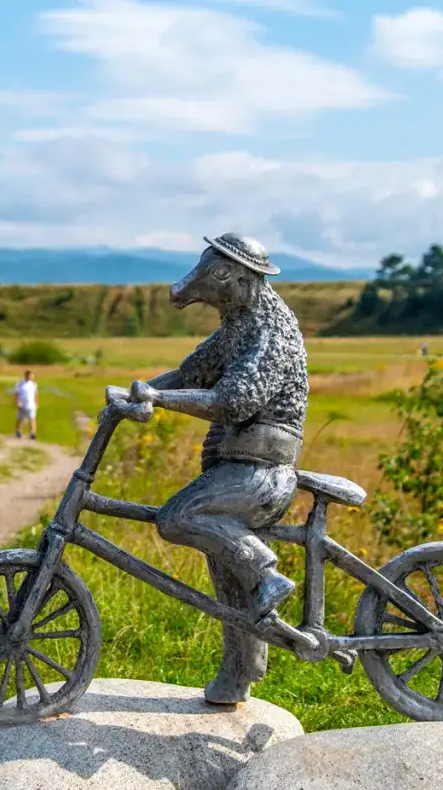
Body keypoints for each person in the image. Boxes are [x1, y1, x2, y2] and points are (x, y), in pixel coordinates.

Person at [118, 232, 308, 706]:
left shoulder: (270, 332)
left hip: (261, 472)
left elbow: (232, 400)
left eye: (216, 276)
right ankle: (241, 671)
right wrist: (136, 394)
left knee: (177, 518)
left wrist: (159, 399)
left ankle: (266, 573)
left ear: (243, 281)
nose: (195, 286)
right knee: (226, 575)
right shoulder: (238, 324)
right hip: (232, 466)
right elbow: (191, 373)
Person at [14, 370, 38, 440]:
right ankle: (18, 431)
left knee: (32, 418)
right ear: (26, 376)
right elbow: (16, 393)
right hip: (22, 404)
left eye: (32, 376)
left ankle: (32, 433)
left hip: (31, 404)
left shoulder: (34, 384)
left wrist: (36, 403)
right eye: (31, 375)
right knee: (20, 419)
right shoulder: (20, 383)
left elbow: (35, 394)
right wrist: (18, 402)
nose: (32, 377)